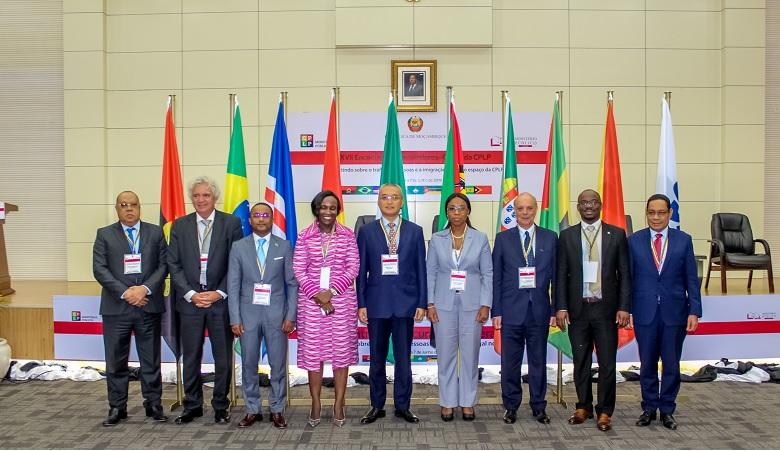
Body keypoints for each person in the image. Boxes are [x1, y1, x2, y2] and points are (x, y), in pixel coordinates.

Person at [168, 176, 243, 425]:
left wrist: (219, 292)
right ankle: (192, 405)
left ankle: (221, 405)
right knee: (191, 355)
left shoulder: (231, 223)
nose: (201, 200)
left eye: (206, 195)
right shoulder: (179, 225)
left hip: (220, 302)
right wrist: (191, 294)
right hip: (190, 302)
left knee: (223, 357)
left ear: (215, 198)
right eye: (196, 196)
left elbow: (236, 262)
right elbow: (173, 264)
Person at [555, 189, 631, 432]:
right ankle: (583, 406)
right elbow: (560, 275)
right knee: (580, 361)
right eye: (584, 202)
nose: (588, 206)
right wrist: (561, 306)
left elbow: (625, 275)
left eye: (593, 202)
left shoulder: (617, 235)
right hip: (578, 309)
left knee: (607, 363)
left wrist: (624, 307)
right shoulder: (566, 236)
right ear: (578, 207)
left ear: (601, 204)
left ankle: (605, 411)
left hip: (606, 310)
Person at [93, 191, 168, 426]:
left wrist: (143, 289)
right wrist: (127, 293)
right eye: (123, 205)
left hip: (147, 306)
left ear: (140, 207)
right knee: (116, 361)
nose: (129, 209)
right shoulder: (104, 234)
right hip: (117, 308)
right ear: (117, 208)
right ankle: (117, 407)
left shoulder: (155, 233)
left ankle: (153, 404)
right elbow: (100, 269)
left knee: (151, 359)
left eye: (133, 205)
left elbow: (163, 266)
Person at [629, 194, 702, 430]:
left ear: (670, 214)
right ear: (646, 213)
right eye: (651, 212)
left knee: (671, 364)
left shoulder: (683, 240)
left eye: (661, 212)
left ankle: (667, 409)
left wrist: (695, 311)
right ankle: (649, 407)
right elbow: (628, 279)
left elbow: (692, 278)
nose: (656, 217)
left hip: (675, 313)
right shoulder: (634, 241)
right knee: (647, 362)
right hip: (645, 312)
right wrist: (626, 309)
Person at [357, 183, 427, 424]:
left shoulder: (415, 231)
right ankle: (376, 405)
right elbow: (361, 271)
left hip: (406, 304)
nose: (389, 201)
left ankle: (403, 406)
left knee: (403, 358)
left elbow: (421, 270)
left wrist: (422, 302)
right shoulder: (366, 232)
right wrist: (361, 303)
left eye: (395, 197)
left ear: (402, 202)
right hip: (376, 305)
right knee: (376, 358)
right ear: (378, 201)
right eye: (385, 197)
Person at [228, 202, 298, 429]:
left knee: (277, 365)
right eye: (256, 215)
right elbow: (233, 285)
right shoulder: (238, 247)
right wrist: (235, 318)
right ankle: (252, 409)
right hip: (247, 315)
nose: (261, 219)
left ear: (272, 219)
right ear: (249, 220)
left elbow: (291, 284)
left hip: (277, 316)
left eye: (265, 215)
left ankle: (277, 408)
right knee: (248, 364)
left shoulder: (284, 246)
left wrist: (290, 316)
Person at [293, 191, 359, 427]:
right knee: (314, 355)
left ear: (337, 210)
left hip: (341, 301)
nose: (328, 211)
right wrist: (318, 296)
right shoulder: (304, 236)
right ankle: (316, 402)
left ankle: (339, 403)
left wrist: (330, 292)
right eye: (323, 207)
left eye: (332, 207)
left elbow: (353, 268)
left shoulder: (348, 235)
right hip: (311, 304)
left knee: (341, 355)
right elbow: (299, 270)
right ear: (316, 209)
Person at [492, 192, 557, 425]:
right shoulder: (503, 239)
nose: (525, 213)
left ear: (536, 209)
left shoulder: (550, 238)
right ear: (514, 211)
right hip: (510, 310)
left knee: (538, 361)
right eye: (520, 209)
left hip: (539, 310)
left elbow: (557, 278)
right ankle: (511, 406)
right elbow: (496, 278)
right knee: (510, 362)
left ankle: (539, 406)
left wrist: (554, 310)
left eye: (529, 208)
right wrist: (496, 311)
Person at [427, 193, 492, 422]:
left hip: (472, 306)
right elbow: (431, 272)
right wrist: (430, 303)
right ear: (447, 212)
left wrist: (486, 304)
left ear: (468, 212)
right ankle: (447, 403)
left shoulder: (480, 238)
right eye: (452, 208)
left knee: (469, 356)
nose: (456, 212)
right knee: (445, 356)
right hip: (442, 305)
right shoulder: (436, 239)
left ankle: (467, 402)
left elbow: (487, 273)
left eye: (461, 208)